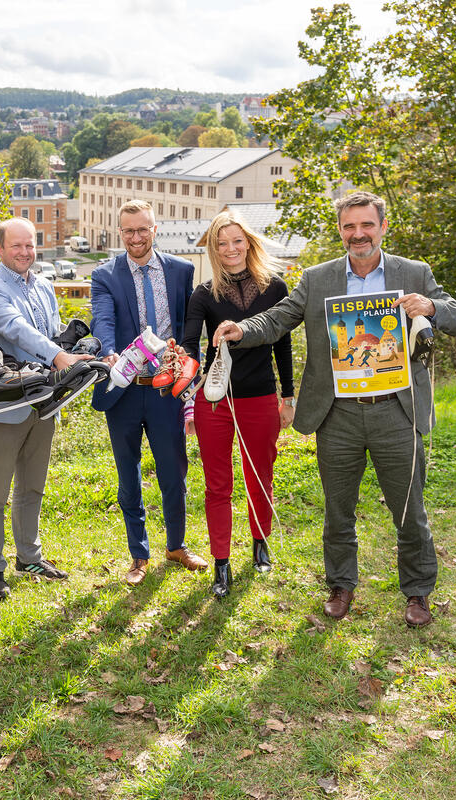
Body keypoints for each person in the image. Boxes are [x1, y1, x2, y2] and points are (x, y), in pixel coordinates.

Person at [214, 191, 456, 627]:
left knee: (410, 510)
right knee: (338, 511)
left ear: (382, 227)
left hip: (397, 412)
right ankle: (341, 586)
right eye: (349, 226)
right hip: (339, 416)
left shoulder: (414, 272)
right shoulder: (317, 279)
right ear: (340, 230)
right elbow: (277, 318)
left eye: (367, 225)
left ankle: (417, 593)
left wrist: (430, 307)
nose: (358, 234)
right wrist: (242, 328)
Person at [89, 199, 208, 587]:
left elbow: (190, 326)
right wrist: (109, 351)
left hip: (166, 390)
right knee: (129, 475)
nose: (136, 237)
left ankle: (176, 545)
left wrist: (190, 370)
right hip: (124, 389)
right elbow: (103, 318)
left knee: (174, 470)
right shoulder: (105, 274)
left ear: (155, 229)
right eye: (129, 231)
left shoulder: (180, 270)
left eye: (143, 230)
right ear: (119, 232)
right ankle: (138, 555)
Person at [0, 217, 89, 599]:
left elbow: (52, 332)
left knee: (32, 485)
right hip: (7, 406)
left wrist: (75, 350)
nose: (24, 252)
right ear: (1, 249)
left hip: (44, 401)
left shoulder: (43, 285)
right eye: (16, 246)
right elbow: (18, 330)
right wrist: (58, 355)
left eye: (30, 245)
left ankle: (29, 557)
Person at [181, 211, 296, 598]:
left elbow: (282, 342)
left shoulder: (275, 288)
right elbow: (189, 344)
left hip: (260, 396)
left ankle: (260, 541)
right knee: (218, 485)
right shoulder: (204, 293)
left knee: (259, 475)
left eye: (236, 241)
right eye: (221, 243)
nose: (230, 249)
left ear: (248, 242)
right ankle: (221, 563)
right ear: (213, 250)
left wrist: (288, 395)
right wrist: (182, 371)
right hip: (213, 402)